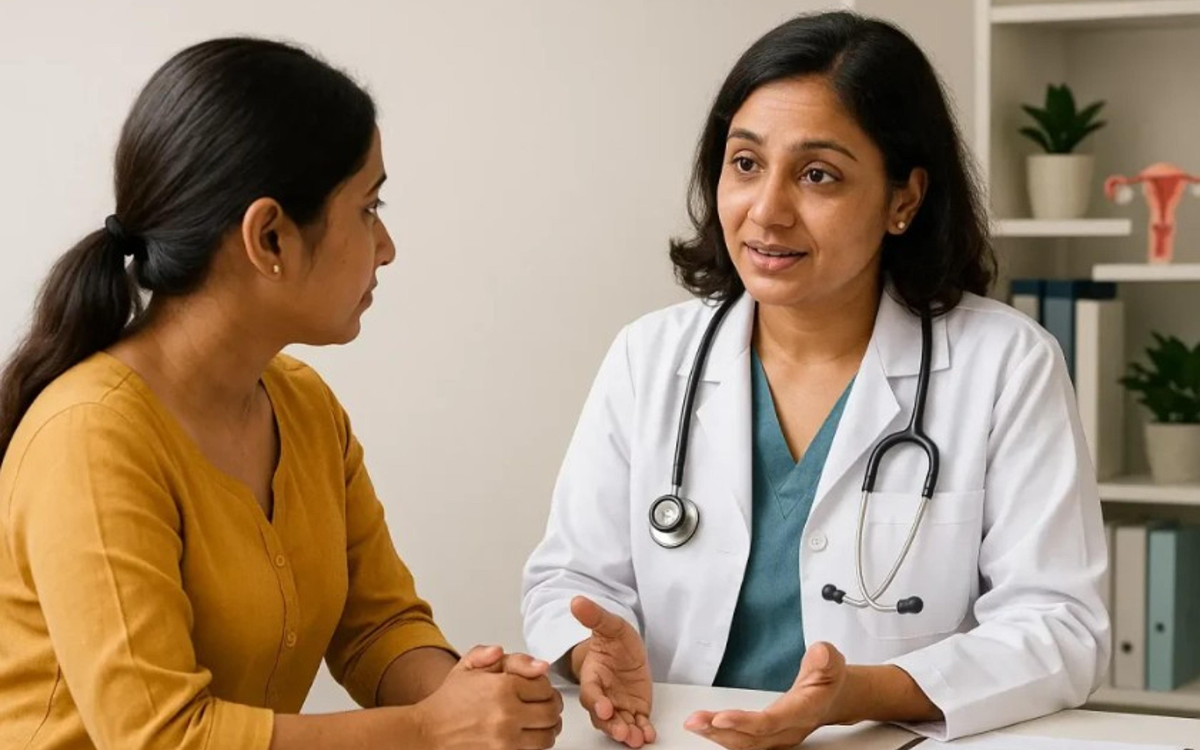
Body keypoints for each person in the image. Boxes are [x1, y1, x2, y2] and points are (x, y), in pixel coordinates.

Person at [521, 11, 1109, 747]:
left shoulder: (1005, 364)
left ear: (904, 199)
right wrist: (592, 652)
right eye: (745, 163)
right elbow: (571, 580)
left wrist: (857, 694)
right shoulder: (650, 357)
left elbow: (1060, 626)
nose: (767, 211)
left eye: (818, 175)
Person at [0, 38, 562, 750]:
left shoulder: (303, 405)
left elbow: (378, 626)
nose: (386, 245)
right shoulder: (90, 438)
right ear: (270, 236)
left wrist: (475, 696)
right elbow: (162, 740)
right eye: (368, 207)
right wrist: (428, 729)